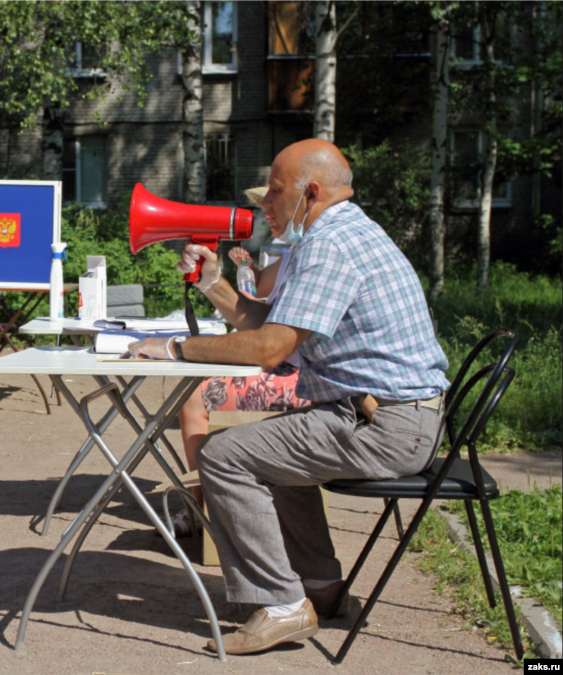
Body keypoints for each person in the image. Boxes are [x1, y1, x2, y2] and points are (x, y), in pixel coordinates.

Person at [127, 139, 449, 655]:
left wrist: (174, 348)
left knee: (223, 454)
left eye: (275, 193)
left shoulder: (330, 245)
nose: (265, 205)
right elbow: (270, 324)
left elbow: (269, 349)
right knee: (266, 453)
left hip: (387, 426)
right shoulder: (341, 232)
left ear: (311, 192)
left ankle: (281, 605)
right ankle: (320, 588)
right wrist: (213, 283)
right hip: (391, 418)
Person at [171, 195, 310, 538]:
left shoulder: (312, 255)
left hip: (306, 377)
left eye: (273, 203)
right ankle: (207, 501)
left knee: (194, 397)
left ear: (304, 202)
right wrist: (217, 277)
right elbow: (259, 292)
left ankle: (200, 506)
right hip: (289, 367)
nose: (266, 213)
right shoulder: (295, 254)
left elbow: (271, 341)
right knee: (199, 386)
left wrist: (177, 348)